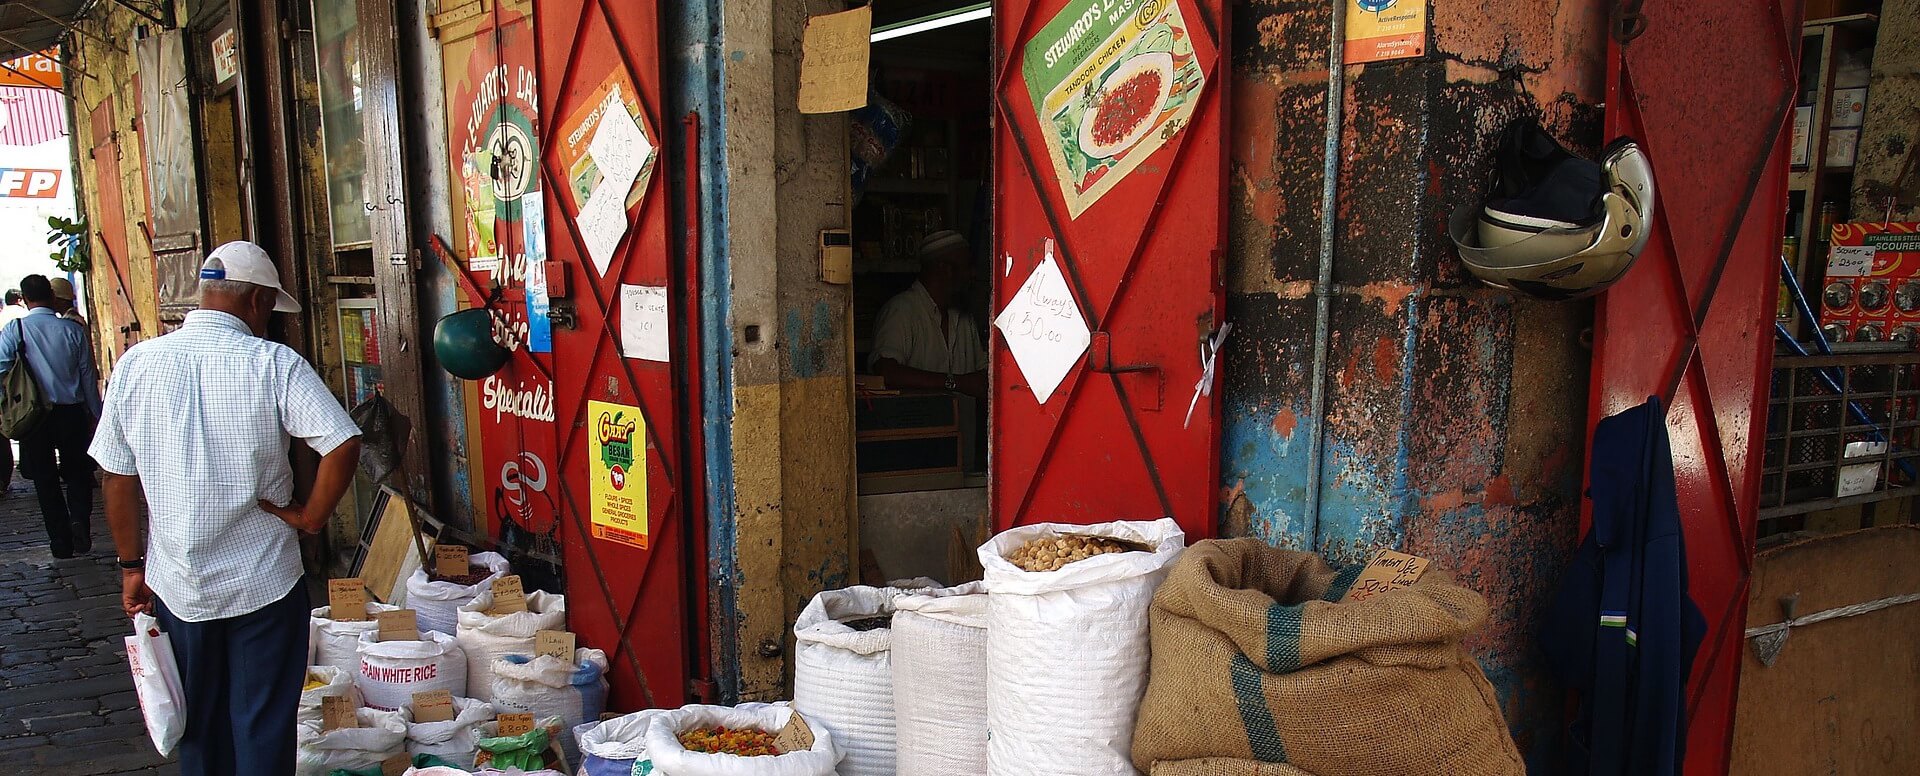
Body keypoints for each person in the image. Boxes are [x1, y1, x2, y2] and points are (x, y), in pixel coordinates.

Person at [91, 241, 363, 775]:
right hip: (262, 579)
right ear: (258, 301)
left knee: (198, 724)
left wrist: (130, 566)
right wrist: (310, 518)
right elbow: (343, 442)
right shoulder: (274, 364)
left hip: (177, 582)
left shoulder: (137, 363)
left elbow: (115, 477)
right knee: (262, 725)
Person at [0, 274, 102, 558]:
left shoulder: (15, 330)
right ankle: (79, 519)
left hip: (35, 416)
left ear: (25, 298)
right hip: (71, 412)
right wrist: (96, 414)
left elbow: (0, 367)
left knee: (45, 479)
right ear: (51, 296)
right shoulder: (72, 330)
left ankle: (60, 540)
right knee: (78, 473)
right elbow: (87, 376)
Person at [868, 230, 988, 398]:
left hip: (964, 424)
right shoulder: (902, 310)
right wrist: (956, 383)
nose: (973, 274)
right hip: (915, 424)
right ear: (945, 269)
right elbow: (886, 371)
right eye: (967, 266)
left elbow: (984, 374)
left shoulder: (963, 318)